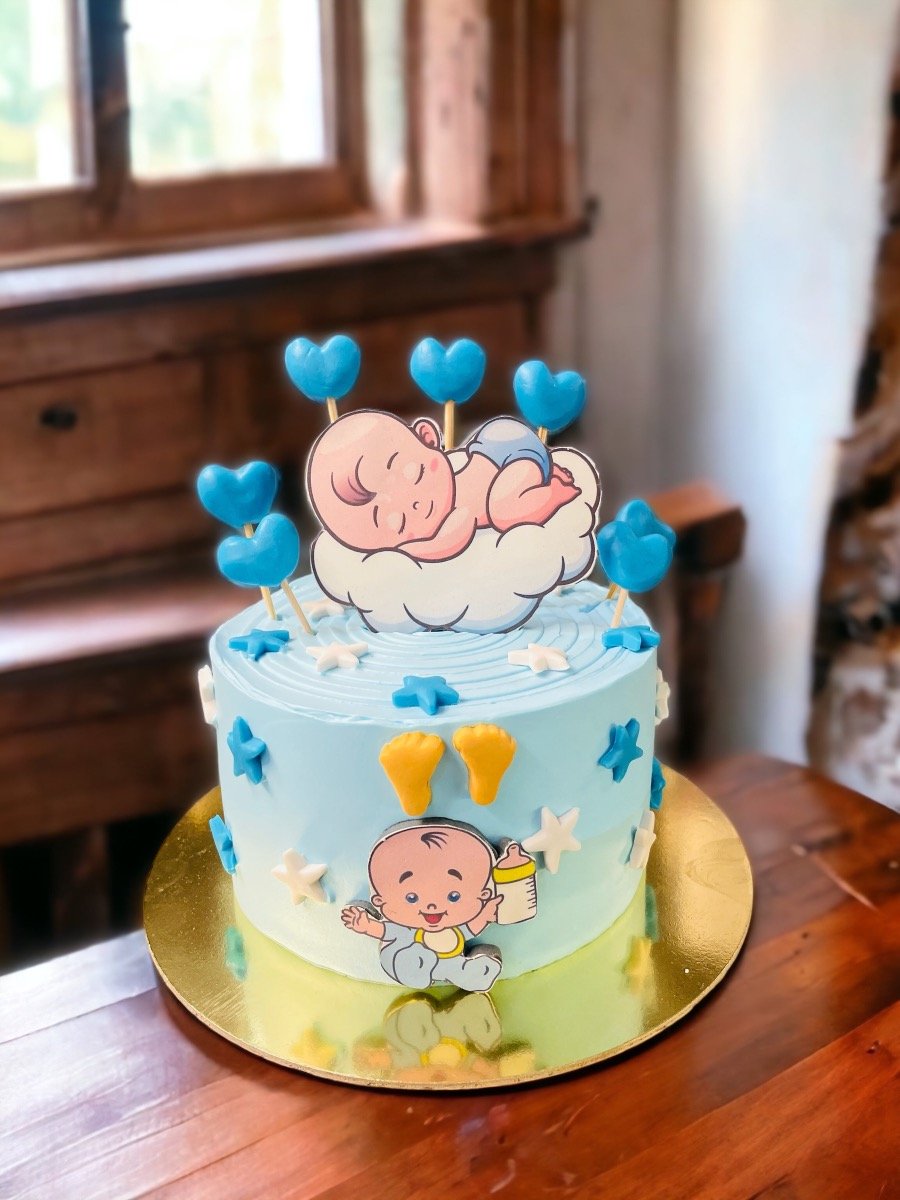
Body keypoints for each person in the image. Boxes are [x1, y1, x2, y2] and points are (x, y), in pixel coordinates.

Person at [308, 410, 580, 562]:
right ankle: (541, 474)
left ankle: (555, 491)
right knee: (502, 499)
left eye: (416, 474)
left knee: (502, 510)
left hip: (506, 452)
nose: (415, 503)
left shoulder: (457, 514)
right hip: (490, 449)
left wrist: (408, 553)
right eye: (400, 523)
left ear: (427, 437)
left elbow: (453, 537)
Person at [341, 821, 504, 991]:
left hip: (448, 965)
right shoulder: (406, 929)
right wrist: (366, 925)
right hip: (411, 961)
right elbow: (383, 931)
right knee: (413, 956)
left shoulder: (457, 928)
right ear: (380, 901)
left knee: (459, 968)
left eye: (453, 896)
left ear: (483, 896)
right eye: (412, 898)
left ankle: (473, 974)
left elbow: (472, 928)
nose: (432, 906)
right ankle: (415, 969)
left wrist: (486, 914)